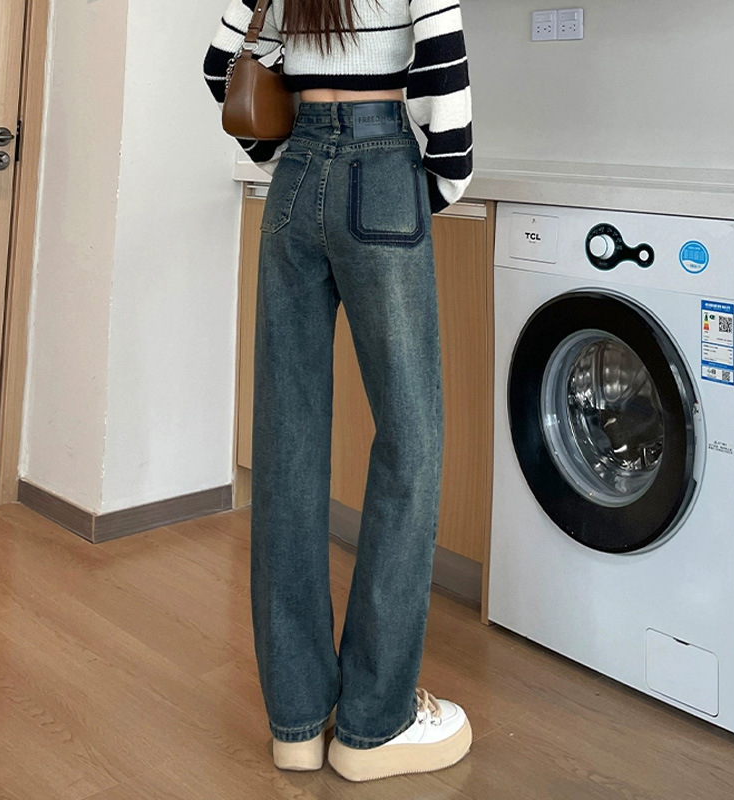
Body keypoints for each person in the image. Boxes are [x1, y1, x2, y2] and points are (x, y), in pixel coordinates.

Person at [203, 0, 473, 782]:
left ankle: (297, 722)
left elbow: (221, 70)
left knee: (286, 445)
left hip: (294, 183)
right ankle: (374, 725)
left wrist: (286, 161)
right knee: (410, 443)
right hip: (382, 168)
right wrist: (430, 190)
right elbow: (445, 88)